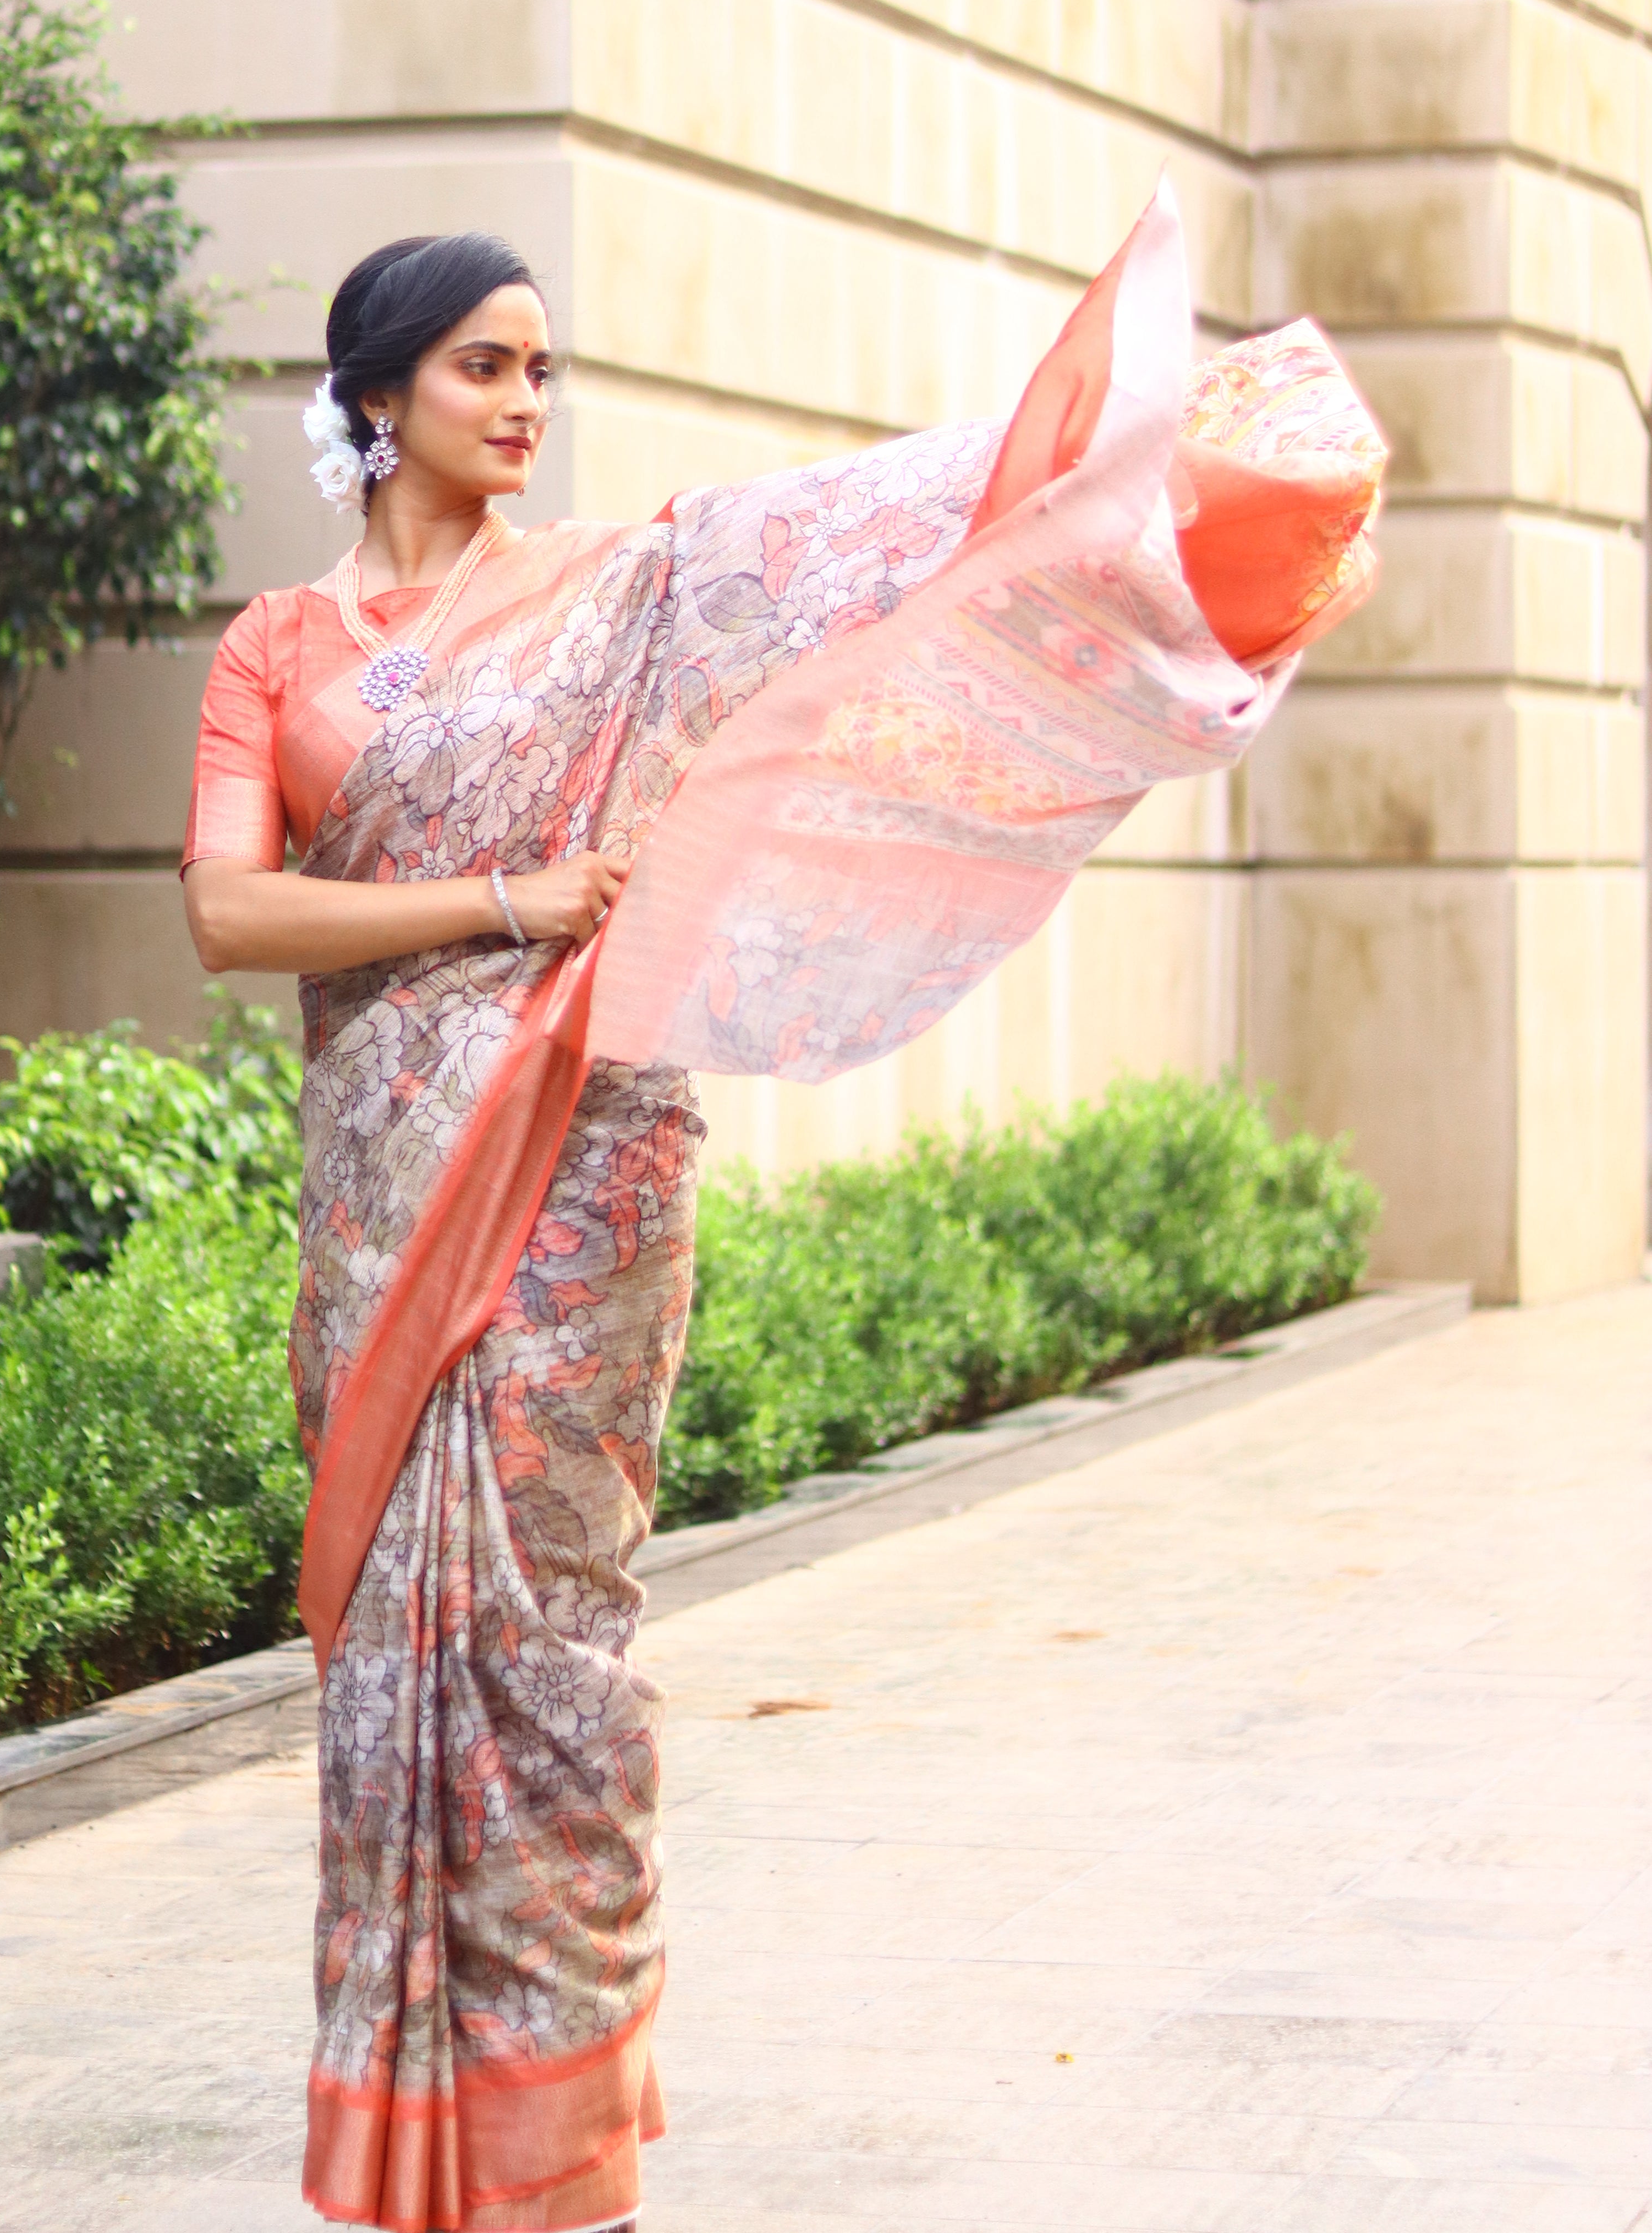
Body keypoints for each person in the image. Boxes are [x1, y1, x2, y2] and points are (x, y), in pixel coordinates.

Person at [181, 199, 1384, 2233]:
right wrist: (507, 901)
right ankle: (417, 2150)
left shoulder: (623, 590)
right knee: (401, 1647)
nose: (524, 402)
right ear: (373, 398)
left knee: (557, 1651)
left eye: (542, 366)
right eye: (483, 364)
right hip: (385, 1196)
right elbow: (231, 910)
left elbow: (867, 542)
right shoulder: (273, 651)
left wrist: (1150, 465)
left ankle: (560, 2158)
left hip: (583, 1174)